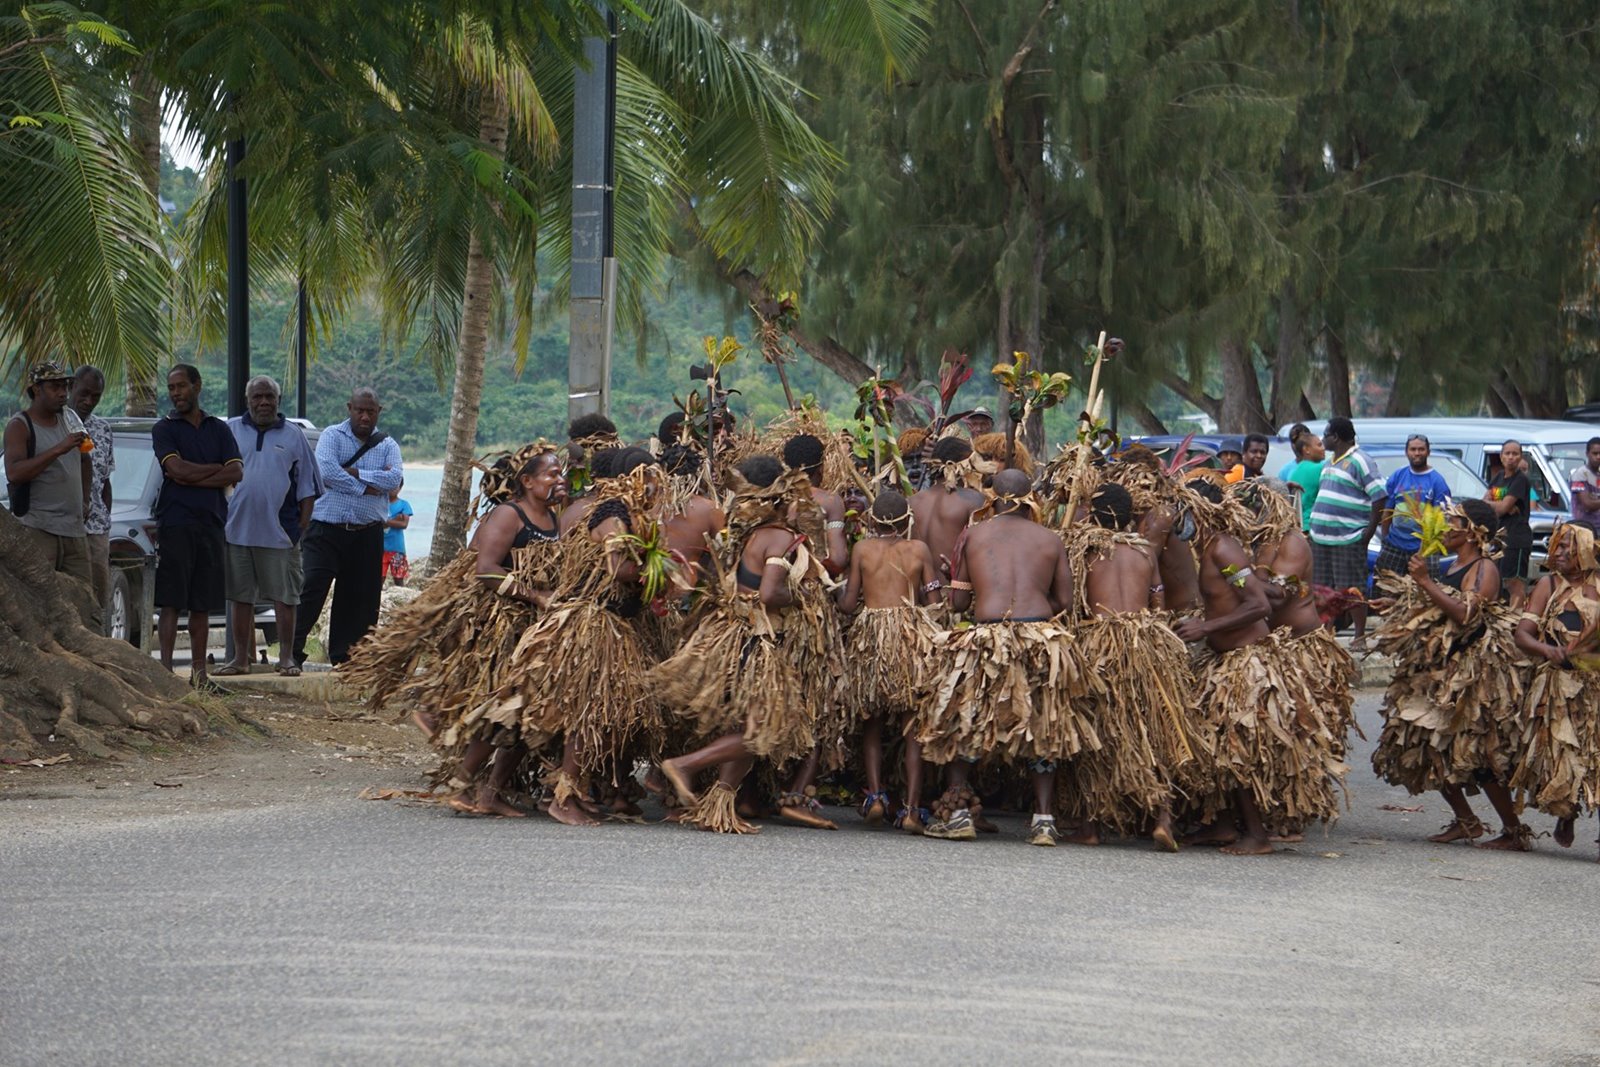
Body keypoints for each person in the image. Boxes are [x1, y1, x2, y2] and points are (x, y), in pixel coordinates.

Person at [342, 444, 565, 818]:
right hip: (501, 621)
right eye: (551, 474)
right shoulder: (509, 516)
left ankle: (486, 791)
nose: (558, 480)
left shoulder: (554, 517)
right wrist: (534, 596)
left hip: (532, 627)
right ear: (526, 481)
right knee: (501, 709)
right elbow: (487, 569)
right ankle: (463, 778)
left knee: (527, 714)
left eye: (560, 474)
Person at [655, 455, 830, 834]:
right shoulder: (780, 538)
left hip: (738, 635)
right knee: (764, 729)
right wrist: (800, 598)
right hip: (757, 639)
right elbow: (769, 593)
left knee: (746, 725)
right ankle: (685, 765)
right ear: (780, 494)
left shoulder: (749, 531)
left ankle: (719, 804)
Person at [915, 469, 1087, 847]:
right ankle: (1043, 821)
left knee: (967, 721)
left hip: (987, 637)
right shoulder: (1050, 539)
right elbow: (1064, 602)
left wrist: (954, 577)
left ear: (993, 497)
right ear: (1031, 498)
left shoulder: (972, 535)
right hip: (1040, 637)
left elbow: (959, 603)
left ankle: (959, 814)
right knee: (1042, 726)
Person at [1176, 480, 1345, 856]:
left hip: (1247, 663)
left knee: (1237, 747)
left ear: (1200, 510)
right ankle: (1221, 825)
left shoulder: (1224, 547)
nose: (1178, 517)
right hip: (1226, 660)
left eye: (1182, 508)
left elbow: (1261, 605)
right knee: (1213, 744)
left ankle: (1258, 835)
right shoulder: (1214, 548)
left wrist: (1205, 626)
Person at [1368, 499, 1529, 850]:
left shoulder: (1485, 568)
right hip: (1439, 667)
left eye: (1454, 521)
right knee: (1428, 745)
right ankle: (1467, 822)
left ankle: (1514, 832)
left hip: (1469, 674)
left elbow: (1467, 616)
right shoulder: (1455, 562)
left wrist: (1425, 582)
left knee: (1478, 755)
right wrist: (1399, 601)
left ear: (1472, 531)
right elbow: (1438, 604)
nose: (1446, 527)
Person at [1058, 482, 1208, 851]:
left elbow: (1073, 601)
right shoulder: (1144, 550)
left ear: (1094, 514)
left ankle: (1090, 826)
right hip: (1146, 642)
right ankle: (1164, 819)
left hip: (1101, 644)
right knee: (1158, 728)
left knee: (1097, 732)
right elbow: (1157, 599)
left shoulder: (1085, 548)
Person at [835, 490, 940, 830]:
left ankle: (877, 795)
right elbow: (935, 600)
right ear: (906, 520)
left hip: (872, 641)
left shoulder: (862, 549)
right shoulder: (919, 549)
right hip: (909, 638)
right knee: (912, 727)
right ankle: (911, 808)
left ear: (872, 520)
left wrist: (835, 589)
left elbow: (849, 604)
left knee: (872, 723)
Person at [217, 376, 320, 677]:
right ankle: (240, 659)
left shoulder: (293, 435)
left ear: (278, 399)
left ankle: (286, 658)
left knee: (285, 598)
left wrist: (300, 528)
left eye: (269, 397)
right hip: (236, 531)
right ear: (247, 400)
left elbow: (308, 487)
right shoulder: (231, 429)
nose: (263, 402)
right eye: (257, 397)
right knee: (240, 597)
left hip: (280, 533)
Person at [292, 388, 402, 668]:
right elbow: (326, 471)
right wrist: (367, 488)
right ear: (349, 408)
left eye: (371, 411)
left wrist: (355, 474)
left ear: (379, 411)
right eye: (360, 410)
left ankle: (349, 658)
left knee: (361, 599)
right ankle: (290, 650)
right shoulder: (331, 435)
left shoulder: (388, 444)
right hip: (326, 528)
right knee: (311, 589)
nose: (365, 416)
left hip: (367, 531)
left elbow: (393, 481)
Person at [1509, 522, 1600, 859]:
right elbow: (1523, 634)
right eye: (1555, 546)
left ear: (1588, 549)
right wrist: (1549, 651)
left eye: (1566, 547)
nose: (1557, 553)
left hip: (1596, 684)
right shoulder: (1547, 584)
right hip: (1559, 684)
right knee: (1564, 757)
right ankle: (1567, 811)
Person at [151, 365, 243, 686]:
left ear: (197, 386)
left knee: (201, 604)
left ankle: (200, 675)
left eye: (181, 386)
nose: (175, 393)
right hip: (176, 522)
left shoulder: (218, 428)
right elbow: (175, 471)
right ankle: (164, 673)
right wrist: (213, 470)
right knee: (172, 602)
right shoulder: (164, 429)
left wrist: (194, 474)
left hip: (212, 524)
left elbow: (235, 473)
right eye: (171, 387)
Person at [4, 362, 93, 615]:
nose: (63, 392)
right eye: (55, 387)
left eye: (65, 386)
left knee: (84, 604)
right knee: (40, 605)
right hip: (38, 528)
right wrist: (58, 449)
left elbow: (86, 460)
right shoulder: (20, 425)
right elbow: (15, 473)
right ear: (37, 389)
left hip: (74, 530)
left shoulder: (70, 418)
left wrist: (85, 501)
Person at [1309, 416, 1385, 649]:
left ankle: (1359, 635)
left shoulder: (1361, 460)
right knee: (1323, 589)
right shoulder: (1330, 461)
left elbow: (1380, 494)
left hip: (1348, 537)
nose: (1323, 440)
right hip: (1321, 538)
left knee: (1351, 588)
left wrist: (1370, 531)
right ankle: (1326, 634)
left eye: (1326, 435)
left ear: (1336, 437)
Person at [70, 367, 115, 632]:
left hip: (96, 528)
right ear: (72, 387)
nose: (88, 401)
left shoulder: (103, 429)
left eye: (95, 396)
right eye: (84, 393)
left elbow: (106, 480)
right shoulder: (57, 423)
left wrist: (105, 517)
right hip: (62, 525)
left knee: (98, 592)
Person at [1375, 434, 1452, 578]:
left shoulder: (1438, 482)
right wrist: (1386, 541)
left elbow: (1440, 523)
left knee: (1425, 596)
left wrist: (1425, 550)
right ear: (1406, 452)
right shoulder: (1397, 476)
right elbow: (1386, 513)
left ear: (1428, 452)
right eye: (1413, 449)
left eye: (1421, 449)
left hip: (1424, 551)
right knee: (1384, 590)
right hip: (1394, 546)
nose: (1417, 453)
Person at [1485, 440, 1533, 611]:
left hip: (1516, 539)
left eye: (1515, 454)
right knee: (1499, 582)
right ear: (1501, 456)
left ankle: (1515, 622)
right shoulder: (1498, 478)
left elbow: (1502, 508)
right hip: (1500, 538)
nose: (1511, 457)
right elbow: (1485, 503)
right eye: (1507, 453)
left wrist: (1501, 505)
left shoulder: (1520, 480)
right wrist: (1500, 505)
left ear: (1520, 457)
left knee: (1515, 584)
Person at [1285, 427, 1326, 530]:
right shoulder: (1320, 468)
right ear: (1306, 449)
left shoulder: (1293, 471)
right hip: (1312, 526)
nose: (1323, 448)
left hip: (1297, 525)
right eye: (1319, 445)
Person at [1568, 436, 1600, 534]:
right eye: (1595, 453)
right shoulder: (1580, 474)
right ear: (1587, 454)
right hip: (1584, 529)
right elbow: (1587, 504)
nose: (1598, 457)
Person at [383, 484, 413, 586]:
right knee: (378, 580)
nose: (392, 489)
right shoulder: (380, 503)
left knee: (399, 579)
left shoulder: (404, 505)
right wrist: (395, 520)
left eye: (395, 486)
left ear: (400, 488)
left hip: (397, 549)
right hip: (380, 548)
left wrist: (385, 522)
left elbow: (404, 524)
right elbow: (375, 523)